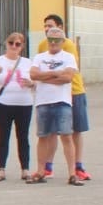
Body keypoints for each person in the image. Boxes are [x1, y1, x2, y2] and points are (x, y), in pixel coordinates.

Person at [37, 14, 90, 182]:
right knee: (50, 132)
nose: (47, 29)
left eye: (51, 25)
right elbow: (37, 72)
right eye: (45, 26)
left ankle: (78, 167)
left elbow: (68, 74)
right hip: (50, 95)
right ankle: (47, 167)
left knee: (74, 131)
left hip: (74, 92)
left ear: (60, 27)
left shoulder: (68, 45)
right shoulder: (42, 46)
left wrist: (46, 77)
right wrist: (50, 76)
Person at [28, 27, 79, 185]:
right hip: (43, 102)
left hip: (62, 101)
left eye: (57, 40)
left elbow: (68, 77)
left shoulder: (68, 57)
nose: (53, 43)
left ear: (63, 42)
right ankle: (41, 171)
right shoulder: (39, 57)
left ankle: (72, 173)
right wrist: (57, 73)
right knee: (43, 137)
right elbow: (33, 74)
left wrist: (46, 77)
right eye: (50, 40)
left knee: (66, 136)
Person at [0, 32, 36, 182]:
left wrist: (31, 83)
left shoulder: (28, 63)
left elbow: (36, 83)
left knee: (23, 137)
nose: (14, 46)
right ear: (6, 44)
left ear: (22, 47)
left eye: (18, 44)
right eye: (11, 43)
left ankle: (25, 169)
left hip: (24, 104)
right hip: (4, 104)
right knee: (3, 136)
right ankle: (1, 169)